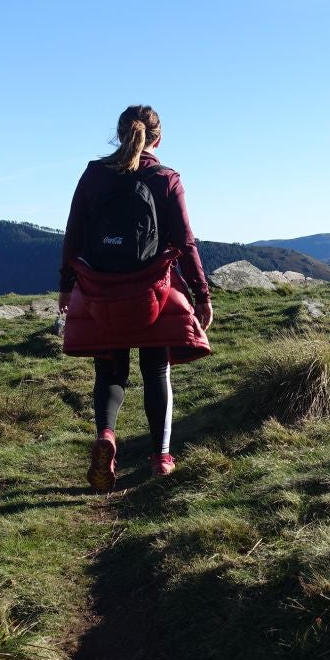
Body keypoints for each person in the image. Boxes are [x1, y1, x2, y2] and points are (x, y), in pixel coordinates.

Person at [58, 105, 212, 492]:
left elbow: (73, 234)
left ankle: (107, 437)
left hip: (98, 291)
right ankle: (161, 457)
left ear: (119, 133)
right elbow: (185, 241)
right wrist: (201, 294)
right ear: (157, 139)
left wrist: (66, 285)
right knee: (156, 371)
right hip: (152, 293)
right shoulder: (165, 178)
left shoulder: (95, 174)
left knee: (109, 371)